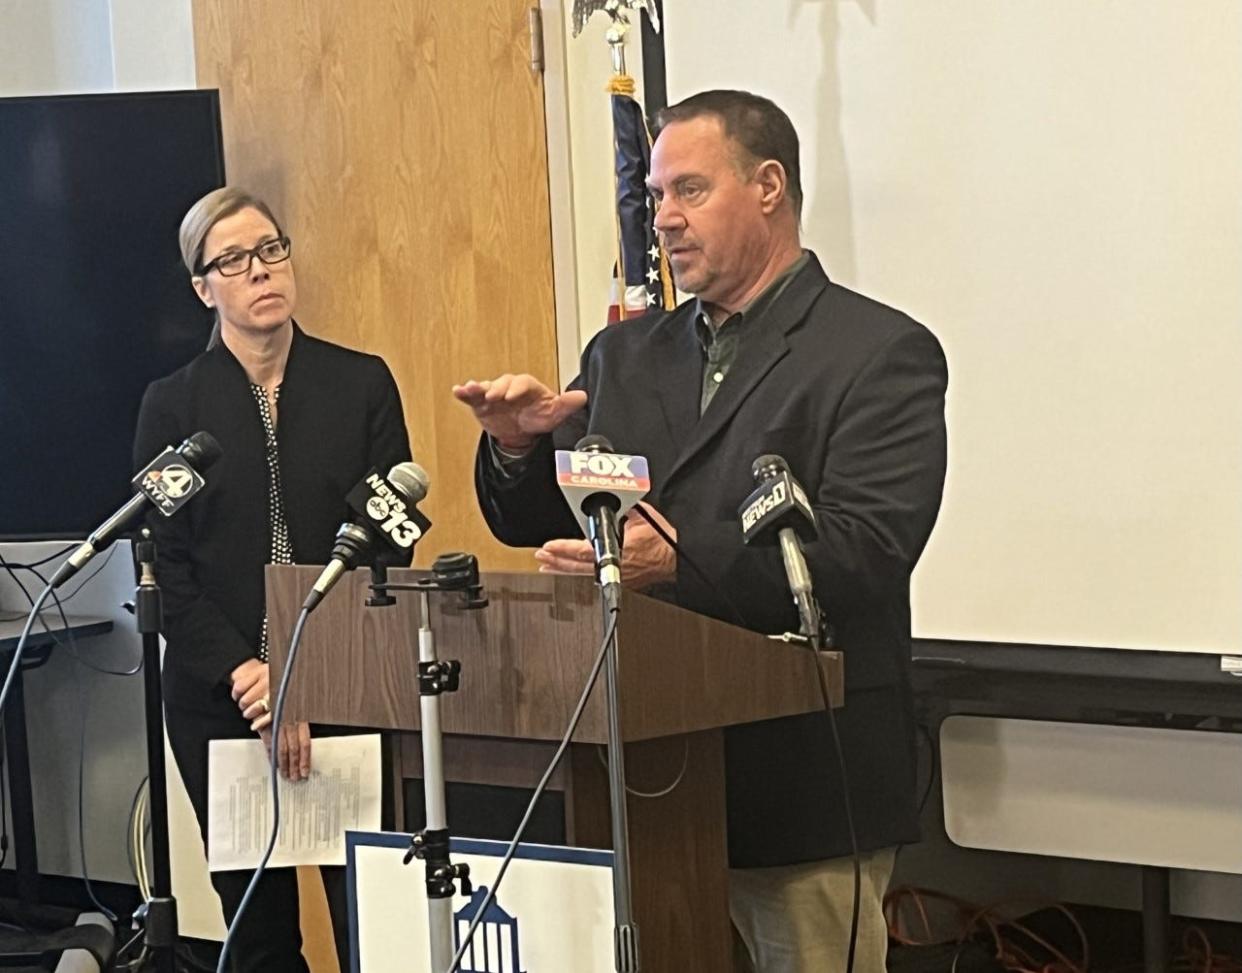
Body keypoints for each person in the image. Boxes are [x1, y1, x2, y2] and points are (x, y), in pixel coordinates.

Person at [454, 90, 947, 972]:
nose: (665, 220)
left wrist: (674, 559)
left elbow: (865, 553)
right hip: (644, 791)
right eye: (655, 198)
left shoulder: (878, 353)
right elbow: (560, 519)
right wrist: (518, 451)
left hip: (805, 789)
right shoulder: (625, 355)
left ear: (768, 187)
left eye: (689, 190)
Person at [133, 187, 411, 971]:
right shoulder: (172, 406)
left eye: (271, 249)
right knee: (257, 935)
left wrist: (306, 674)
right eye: (233, 260)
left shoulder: (361, 384)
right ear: (203, 288)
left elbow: (390, 545)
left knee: (369, 922)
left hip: (344, 691)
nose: (260, 271)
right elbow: (167, 568)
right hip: (222, 701)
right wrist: (250, 674)